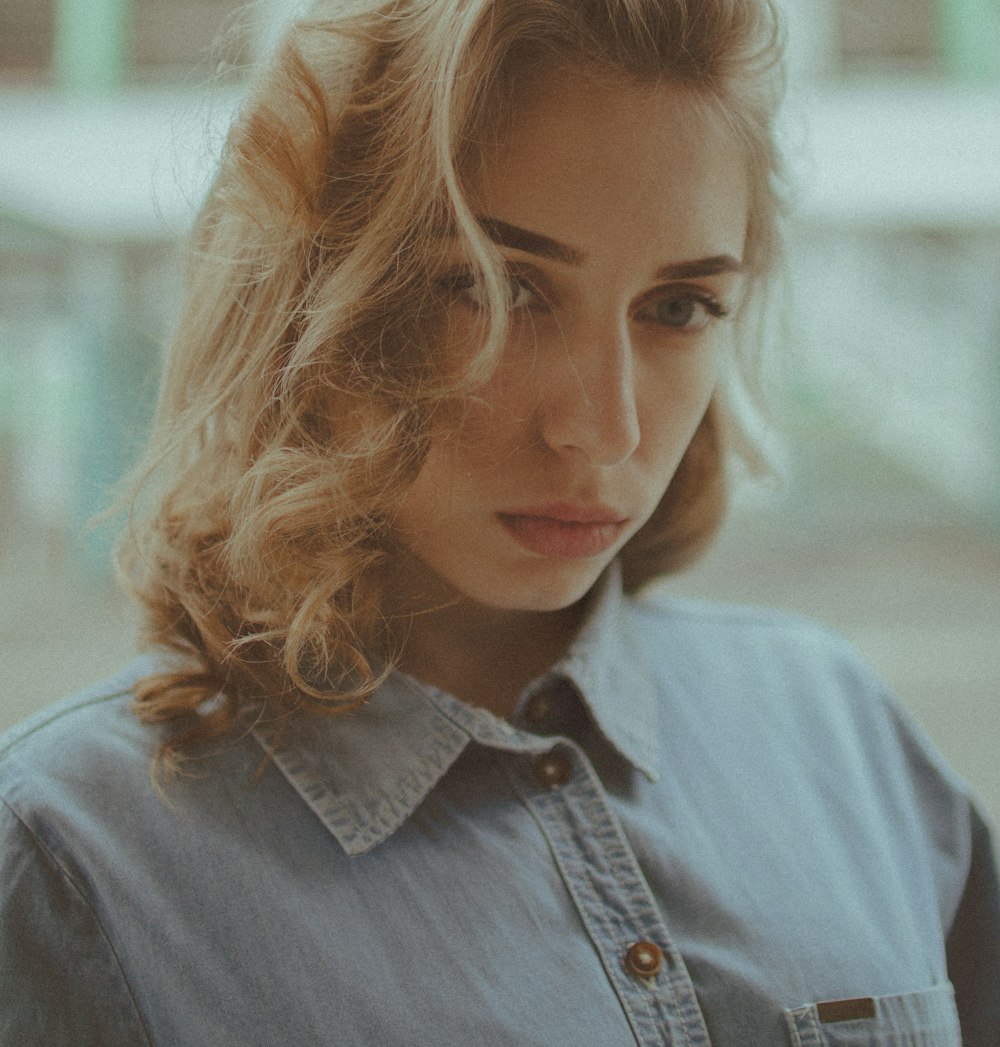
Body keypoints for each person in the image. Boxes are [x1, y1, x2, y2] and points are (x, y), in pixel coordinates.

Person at [1, 0, 997, 1043]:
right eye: (498, 288)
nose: (603, 431)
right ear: (312, 296)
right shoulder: (72, 856)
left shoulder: (841, 731)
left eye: (677, 308)